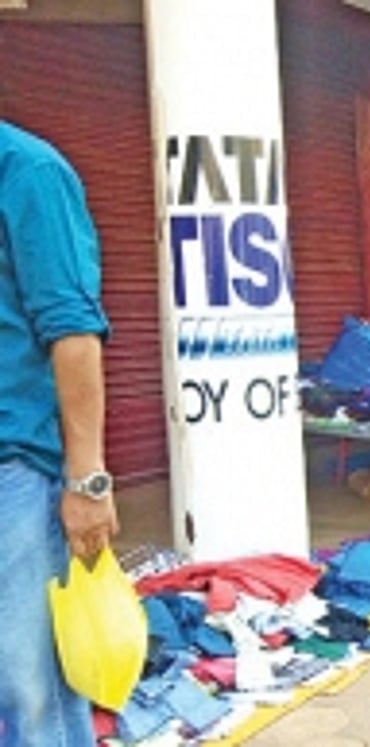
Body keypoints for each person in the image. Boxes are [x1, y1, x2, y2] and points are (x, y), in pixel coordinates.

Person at [0, 121, 117, 745]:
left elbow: (73, 333)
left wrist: (88, 481)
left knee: (29, 687)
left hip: (12, 472)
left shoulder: (28, 171)